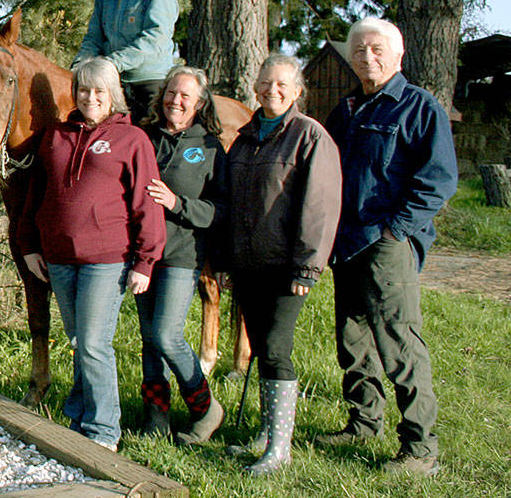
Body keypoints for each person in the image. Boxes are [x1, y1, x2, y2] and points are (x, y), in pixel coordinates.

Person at [318, 18, 458, 476]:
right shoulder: (348, 109)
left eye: (376, 49)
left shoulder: (419, 108)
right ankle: (364, 421)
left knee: (398, 342)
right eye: (358, 51)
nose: (366, 58)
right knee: (352, 340)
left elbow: (438, 180)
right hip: (347, 242)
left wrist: (396, 231)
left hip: (387, 243)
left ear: (398, 56)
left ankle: (420, 448)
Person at [20, 57, 166, 451]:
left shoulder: (132, 139)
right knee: (77, 338)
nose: (91, 97)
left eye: (100, 90)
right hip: (59, 257)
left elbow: (147, 203)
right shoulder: (56, 135)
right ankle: (79, 411)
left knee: (93, 343)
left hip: (107, 258)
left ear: (113, 94)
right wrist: (30, 245)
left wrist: (145, 260)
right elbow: (38, 193)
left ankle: (103, 432)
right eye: (84, 89)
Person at [223, 54, 341, 475]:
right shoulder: (245, 137)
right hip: (247, 264)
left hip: (285, 268)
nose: (271, 90)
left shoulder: (309, 136)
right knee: (260, 347)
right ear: (255, 87)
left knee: (275, 349)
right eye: (265, 83)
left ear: (296, 91)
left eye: (281, 84)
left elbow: (319, 207)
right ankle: (266, 432)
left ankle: (280, 448)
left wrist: (307, 267)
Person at [138, 66, 228, 443]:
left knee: (166, 333)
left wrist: (177, 204)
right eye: (171, 93)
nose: (176, 101)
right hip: (142, 252)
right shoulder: (143, 137)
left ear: (200, 103)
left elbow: (220, 210)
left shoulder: (209, 147)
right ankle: (156, 413)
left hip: (182, 253)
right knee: (148, 336)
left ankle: (205, 407)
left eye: (185, 96)